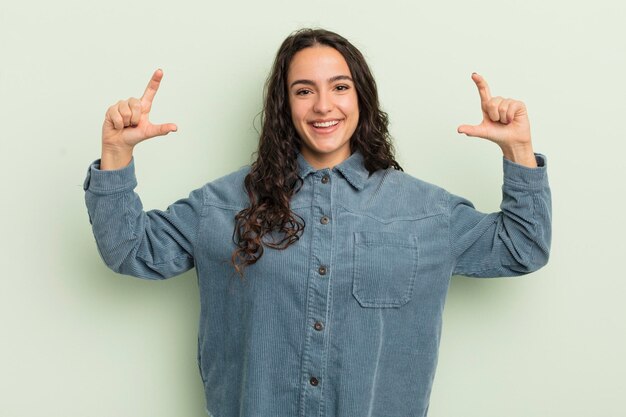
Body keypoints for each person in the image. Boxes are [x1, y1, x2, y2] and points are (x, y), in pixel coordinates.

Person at [84, 28, 551, 417]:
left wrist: (517, 151)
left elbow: (522, 247)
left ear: (361, 97)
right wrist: (117, 155)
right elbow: (131, 249)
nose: (324, 106)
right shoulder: (223, 203)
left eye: (340, 87)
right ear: (284, 105)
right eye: (304, 90)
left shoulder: (426, 211)